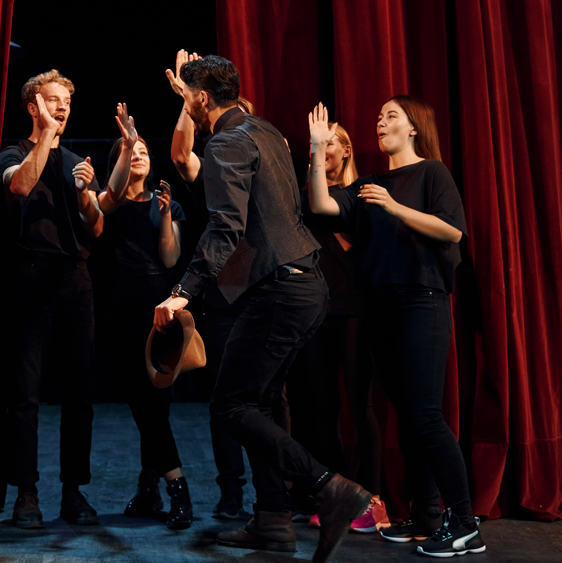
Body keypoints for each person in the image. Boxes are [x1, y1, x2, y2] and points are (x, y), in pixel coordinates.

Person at [154, 55, 371, 563]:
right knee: (266, 403)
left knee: (231, 405)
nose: (187, 105)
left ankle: (330, 487)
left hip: (280, 290)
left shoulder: (228, 141)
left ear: (202, 99)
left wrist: (181, 291)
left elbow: (225, 225)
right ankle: (273, 519)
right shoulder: (265, 130)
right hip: (303, 285)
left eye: (189, 98)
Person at [307, 98, 484, 557]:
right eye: (380, 114)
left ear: (414, 130)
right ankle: (425, 518)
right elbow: (322, 204)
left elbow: (452, 232)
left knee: (425, 414)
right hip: (381, 309)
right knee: (407, 416)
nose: (381, 121)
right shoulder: (369, 185)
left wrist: (394, 207)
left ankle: (464, 523)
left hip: (421, 302)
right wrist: (315, 148)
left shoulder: (431, 174)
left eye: (391, 116)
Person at [165, 50, 272, 521]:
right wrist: (186, 100)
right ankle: (232, 494)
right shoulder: (216, 155)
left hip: (264, 285)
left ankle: (275, 499)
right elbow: (179, 155)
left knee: (268, 399)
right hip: (226, 288)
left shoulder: (257, 148)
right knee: (226, 398)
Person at [0, 69, 104, 529]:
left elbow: (97, 228)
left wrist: (85, 198)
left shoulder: (79, 159)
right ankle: (26, 494)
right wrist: (46, 135)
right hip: (29, 277)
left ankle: (74, 492)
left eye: (66, 101)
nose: (61, 107)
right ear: (32, 105)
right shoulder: (13, 152)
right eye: (52, 100)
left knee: (79, 392)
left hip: (75, 279)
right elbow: (19, 186)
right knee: (25, 392)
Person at [286, 125, 390, 533]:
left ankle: (374, 500)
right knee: (322, 411)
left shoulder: (364, 192)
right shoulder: (303, 196)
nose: (322, 148)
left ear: (345, 151)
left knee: (361, 408)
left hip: (356, 310)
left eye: (330, 142)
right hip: (316, 311)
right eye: (317, 142)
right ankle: (336, 496)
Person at [97, 104, 192, 528]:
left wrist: (168, 215)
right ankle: (163, 489)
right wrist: (126, 143)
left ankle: (161, 489)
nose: (139, 156)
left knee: (156, 403)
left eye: (143, 152)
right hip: (120, 306)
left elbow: (171, 259)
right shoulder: (110, 201)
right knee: (143, 401)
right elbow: (106, 209)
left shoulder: (165, 201)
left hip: (159, 306)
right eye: (131, 151)